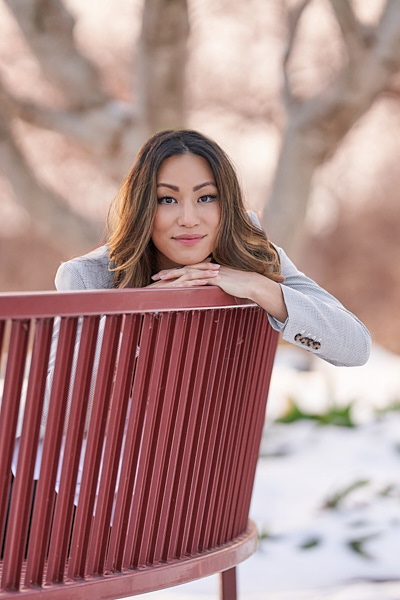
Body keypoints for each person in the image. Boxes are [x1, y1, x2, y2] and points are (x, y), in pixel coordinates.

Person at [55, 129, 371, 367]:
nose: (189, 219)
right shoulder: (88, 278)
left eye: (206, 197)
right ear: (141, 207)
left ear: (227, 203)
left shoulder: (254, 256)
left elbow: (355, 347)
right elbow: (52, 406)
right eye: (167, 199)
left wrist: (260, 288)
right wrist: (142, 318)